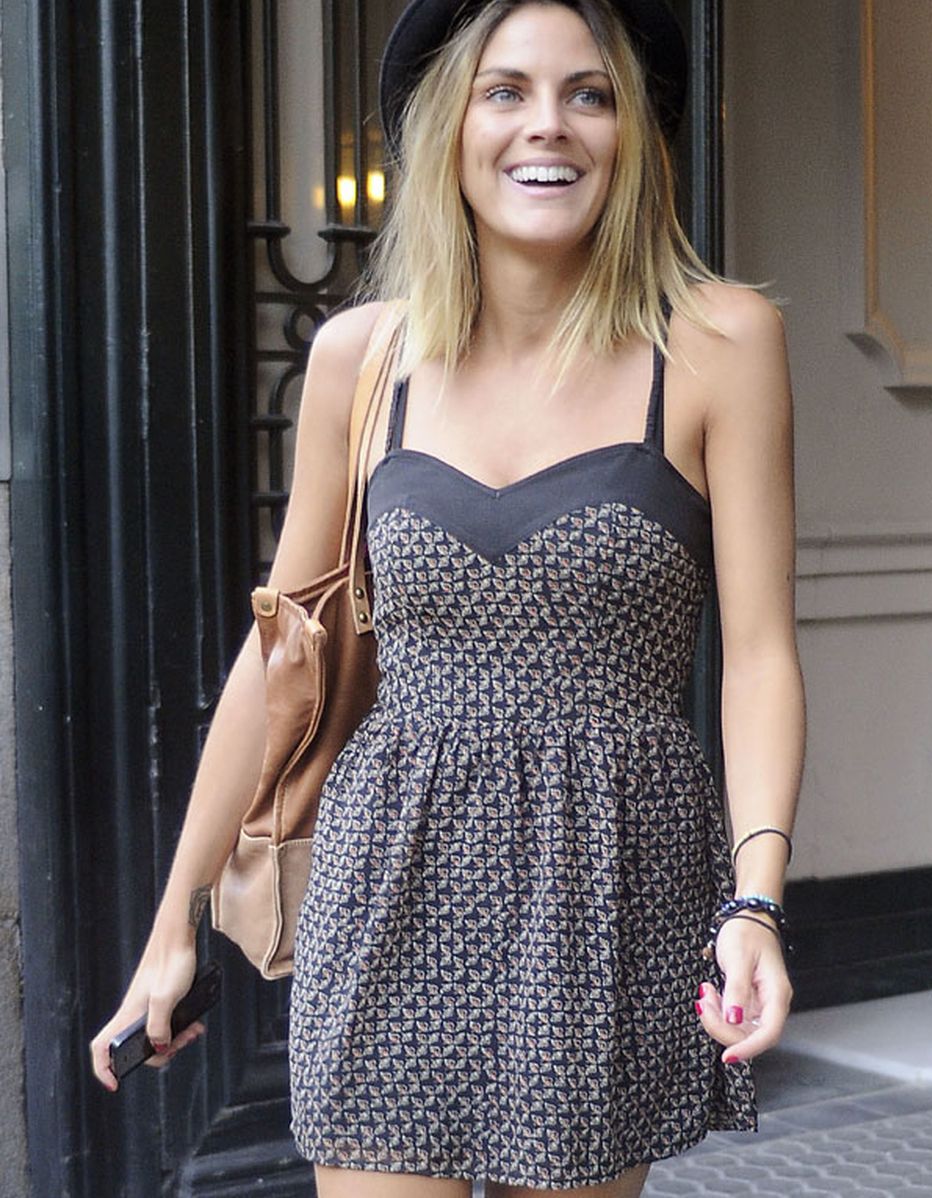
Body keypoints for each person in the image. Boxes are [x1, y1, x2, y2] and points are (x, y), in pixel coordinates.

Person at [91, 0, 806, 1195]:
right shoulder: (361, 357)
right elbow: (283, 653)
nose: (549, 125)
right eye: (505, 90)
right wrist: (175, 924)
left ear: (632, 135)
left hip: (603, 883)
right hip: (388, 877)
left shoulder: (719, 343)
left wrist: (756, 901)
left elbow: (761, 654)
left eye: (589, 93)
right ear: (448, 131)